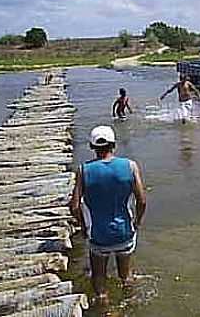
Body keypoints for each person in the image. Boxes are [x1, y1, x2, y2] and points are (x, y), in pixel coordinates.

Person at [69, 126, 147, 304]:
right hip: (124, 232)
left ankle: (107, 310)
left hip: (98, 235)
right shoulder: (130, 166)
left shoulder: (83, 170)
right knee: (126, 276)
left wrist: (83, 228)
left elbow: (74, 207)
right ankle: (130, 304)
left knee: (99, 280)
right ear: (114, 145)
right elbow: (142, 201)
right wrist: (136, 222)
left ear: (92, 146)